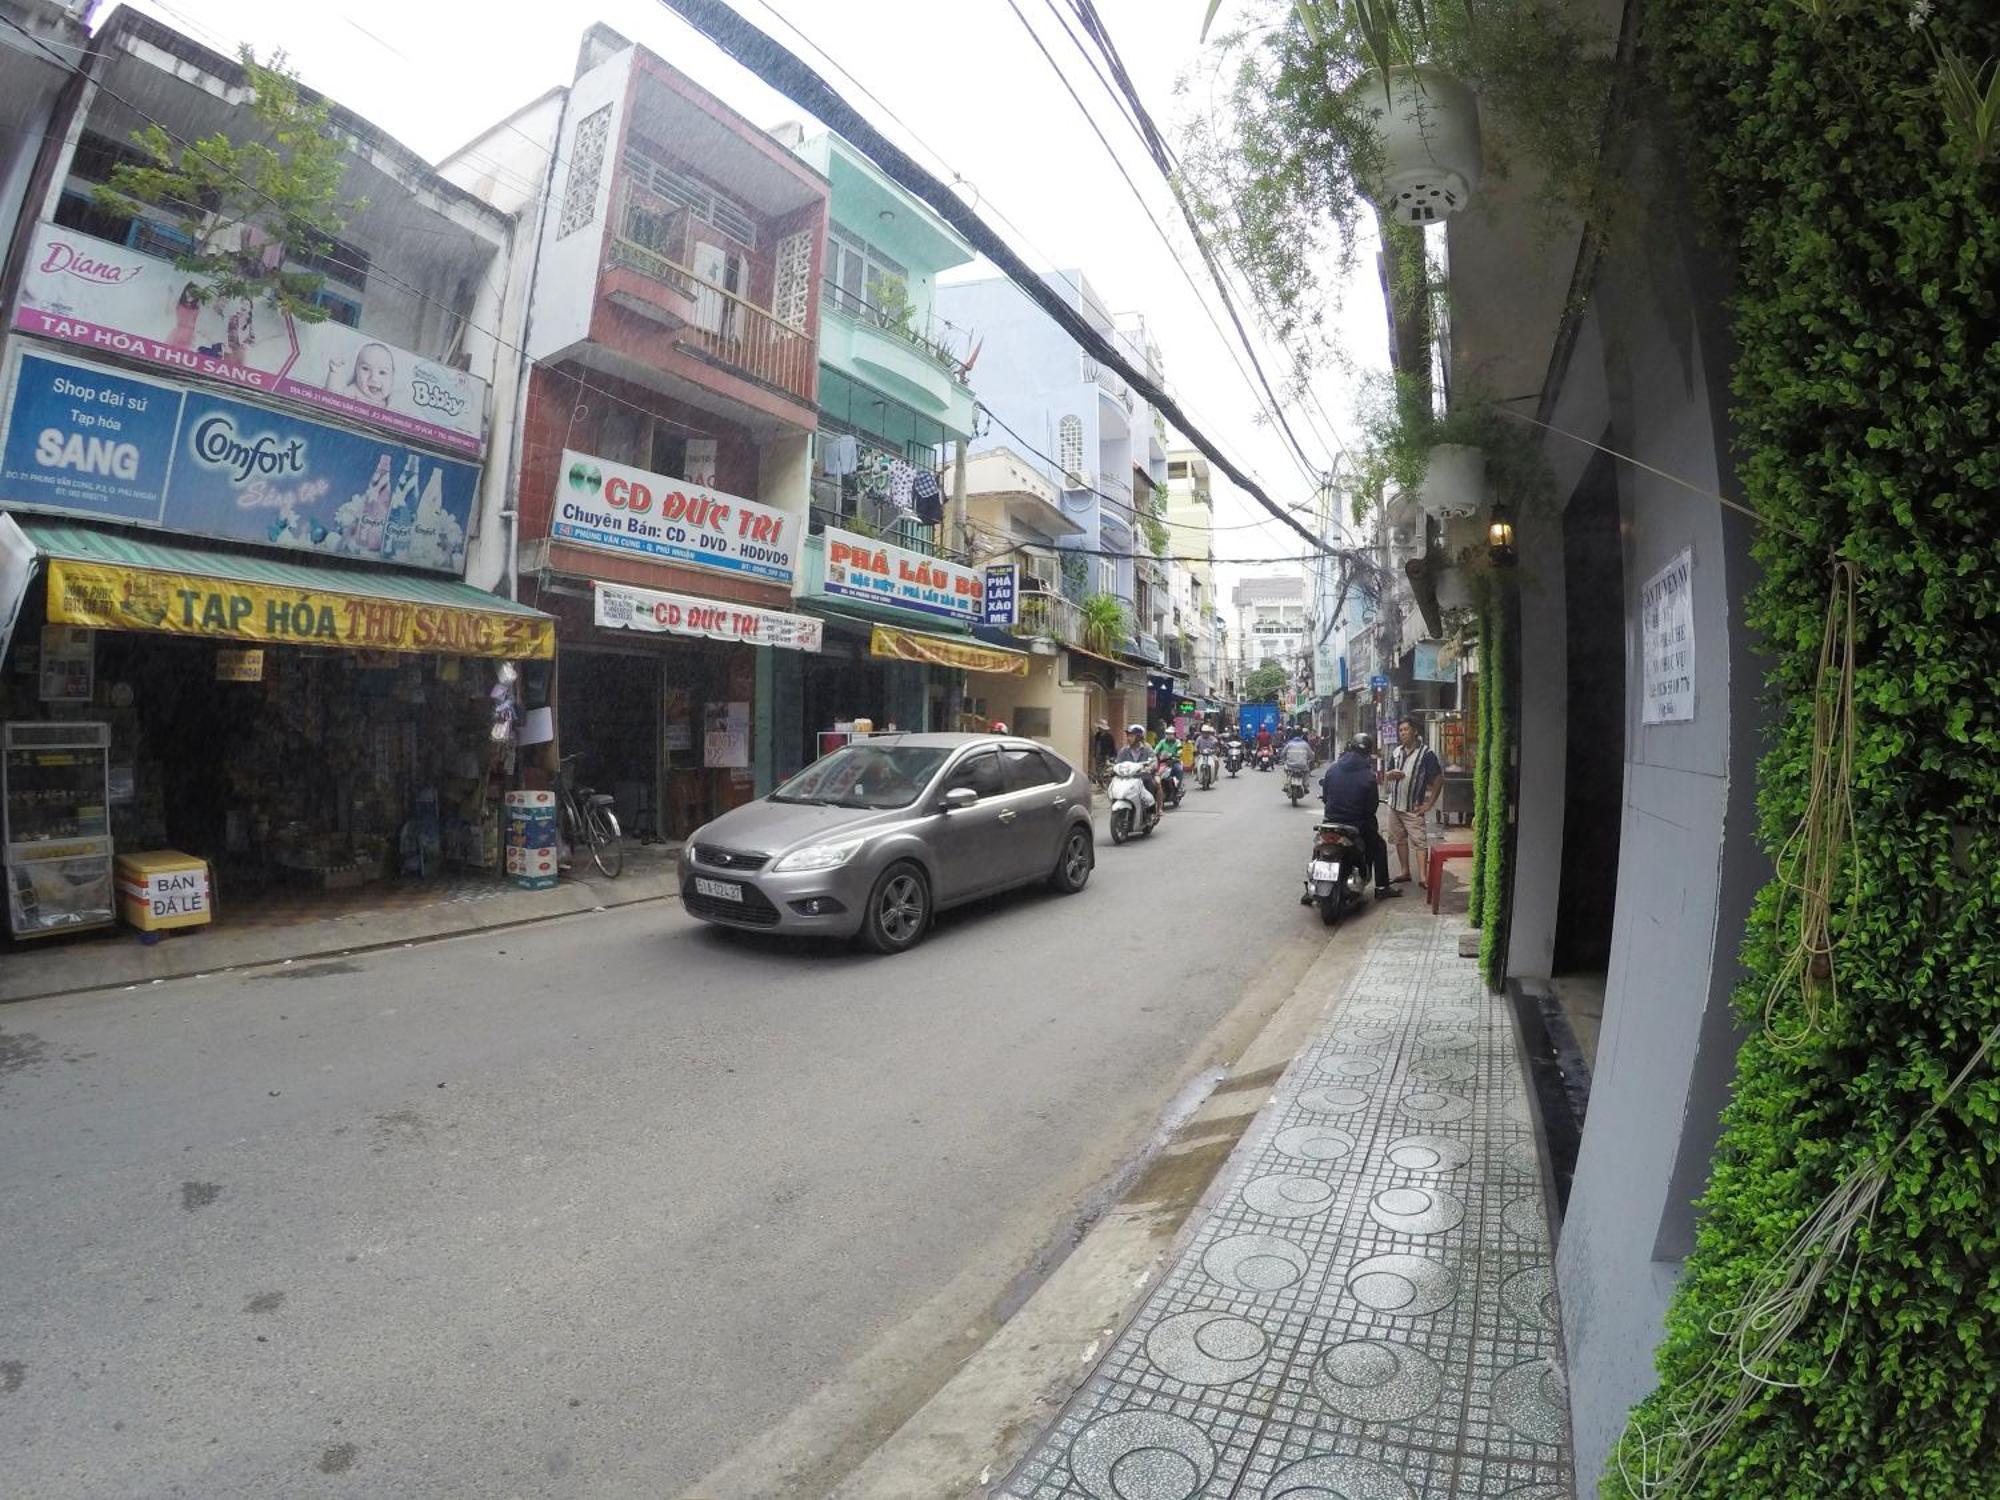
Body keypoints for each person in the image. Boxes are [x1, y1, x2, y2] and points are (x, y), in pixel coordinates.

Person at [1321, 733, 1401, 899]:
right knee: (1379, 847)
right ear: (1368, 753)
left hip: (1331, 822)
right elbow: (1370, 808)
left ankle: (1311, 888)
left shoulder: (1333, 768)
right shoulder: (1368, 776)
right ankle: (1382, 888)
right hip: (1356, 825)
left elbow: (1326, 796)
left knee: (1320, 845)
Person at [1384, 715, 1444, 888]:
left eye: (1406, 729)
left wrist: (1429, 804)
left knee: (1419, 841)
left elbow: (1438, 779)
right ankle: (1405, 872)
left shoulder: (1426, 754)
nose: (1402, 733)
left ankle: (1423, 877)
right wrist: (1390, 775)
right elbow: (1388, 773)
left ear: (1414, 731)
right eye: (1400, 730)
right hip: (1394, 804)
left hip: (1413, 807)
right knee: (1399, 839)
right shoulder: (1396, 752)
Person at [1114, 723, 1160, 813]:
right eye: (1128, 736)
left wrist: (1150, 767)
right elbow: (1117, 762)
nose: (1128, 738)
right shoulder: (1124, 750)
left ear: (1138, 737)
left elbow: (1154, 760)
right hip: (1128, 778)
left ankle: (1152, 810)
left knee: (1154, 784)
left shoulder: (1147, 748)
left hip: (1143, 776)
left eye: (1131, 736)